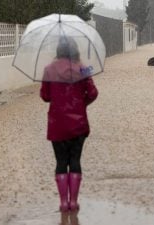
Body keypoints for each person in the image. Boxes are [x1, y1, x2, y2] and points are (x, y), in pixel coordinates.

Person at [40, 36, 98, 212]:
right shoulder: (83, 68)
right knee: (75, 160)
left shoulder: (49, 69)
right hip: (78, 124)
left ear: (59, 50)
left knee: (60, 161)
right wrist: (82, 103)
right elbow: (93, 93)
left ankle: (63, 203)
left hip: (57, 124)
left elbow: (45, 96)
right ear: (75, 50)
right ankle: (74, 202)